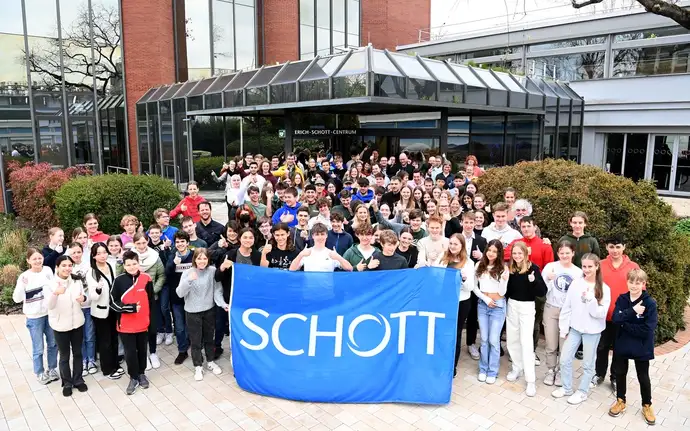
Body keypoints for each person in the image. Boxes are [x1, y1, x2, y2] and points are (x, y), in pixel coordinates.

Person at [552, 254, 610, 405]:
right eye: (584, 266)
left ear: (597, 266)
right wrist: (564, 329)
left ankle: (583, 391)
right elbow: (567, 306)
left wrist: (591, 301)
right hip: (575, 329)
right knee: (564, 359)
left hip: (592, 331)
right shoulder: (576, 284)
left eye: (590, 266)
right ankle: (566, 388)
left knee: (588, 364)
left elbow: (601, 314)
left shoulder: (604, 289)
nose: (587, 269)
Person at [608, 269, 657, 426]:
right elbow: (615, 318)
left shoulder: (650, 303)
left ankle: (647, 405)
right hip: (623, 344)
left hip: (642, 346)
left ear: (644, 284)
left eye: (638, 283)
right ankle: (621, 400)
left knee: (643, 376)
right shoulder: (622, 299)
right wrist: (632, 311)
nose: (634, 286)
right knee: (620, 373)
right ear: (627, 282)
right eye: (631, 282)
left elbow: (647, 330)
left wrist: (625, 324)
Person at [505, 216, 554, 365]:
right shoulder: (517, 243)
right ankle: (515, 351)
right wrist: (524, 251)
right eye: (523, 226)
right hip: (518, 290)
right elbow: (505, 253)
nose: (526, 229)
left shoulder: (544, 245)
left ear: (535, 227)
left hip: (535, 289)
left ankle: (531, 351)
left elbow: (549, 268)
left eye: (528, 226)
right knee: (515, 323)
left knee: (534, 323)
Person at [593, 235, 640, 391]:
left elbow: (639, 291)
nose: (615, 250)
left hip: (623, 317)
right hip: (603, 316)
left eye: (618, 247)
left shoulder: (633, 267)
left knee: (620, 350)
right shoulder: (599, 264)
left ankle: (615, 378)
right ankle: (599, 374)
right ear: (606, 247)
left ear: (624, 247)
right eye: (611, 247)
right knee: (601, 347)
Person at [177, 248, 228, 381]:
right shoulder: (188, 272)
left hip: (209, 310)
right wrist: (188, 281)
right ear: (195, 259)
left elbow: (217, 291)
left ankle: (210, 362)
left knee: (209, 338)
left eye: (205, 258)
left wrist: (223, 304)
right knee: (195, 341)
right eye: (199, 258)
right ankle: (198, 366)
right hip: (192, 312)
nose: (202, 261)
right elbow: (180, 293)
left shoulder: (212, 271)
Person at [505, 242, 547, 397]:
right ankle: (517, 367)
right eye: (514, 253)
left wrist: (533, 281)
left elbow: (542, 291)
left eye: (519, 253)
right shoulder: (510, 269)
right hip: (512, 305)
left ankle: (530, 380)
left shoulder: (533, 268)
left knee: (526, 342)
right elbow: (507, 291)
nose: (517, 256)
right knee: (512, 339)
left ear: (525, 253)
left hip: (527, 307)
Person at [430, 234, 476, 376]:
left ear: (462, 245)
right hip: (443, 301)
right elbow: (434, 276)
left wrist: (464, 278)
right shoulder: (442, 257)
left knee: (455, 334)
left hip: (460, 303)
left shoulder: (468, 263)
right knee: (440, 332)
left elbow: (470, 287)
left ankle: (452, 366)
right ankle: (439, 361)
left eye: (456, 244)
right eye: (451, 243)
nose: (453, 246)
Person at [110, 250, 154, 395]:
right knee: (130, 353)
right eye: (128, 264)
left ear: (138, 263)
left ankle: (141, 374)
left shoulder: (146, 278)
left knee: (142, 350)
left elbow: (151, 301)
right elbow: (112, 302)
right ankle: (133, 377)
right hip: (125, 325)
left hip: (143, 324)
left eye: (134, 263)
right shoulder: (119, 280)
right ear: (124, 265)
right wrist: (130, 308)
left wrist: (152, 322)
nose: (132, 267)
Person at [14, 248, 59, 384]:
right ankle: (39, 372)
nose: (38, 261)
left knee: (53, 343)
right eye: (34, 259)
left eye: (39, 258)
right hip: (34, 317)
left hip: (49, 313)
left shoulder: (47, 271)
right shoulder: (24, 277)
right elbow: (16, 298)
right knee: (38, 347)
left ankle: (52, 369)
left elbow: (53, 288)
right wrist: (22, 285)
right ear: (28, 261)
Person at [541, 241, 582, 387]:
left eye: (567, 252)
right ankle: (550, 370)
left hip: (568, 312)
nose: (564, 255)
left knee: (564, 345)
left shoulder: (578, 272)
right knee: (551, 344)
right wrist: (547, 278)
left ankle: (560, 371)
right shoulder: (550, 267)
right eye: (561, 253)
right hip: (551, 308)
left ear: (573, 253)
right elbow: (540, 288)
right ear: (558, 253)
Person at [46, 255, 88, 397]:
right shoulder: (50, 284)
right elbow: (49, 306)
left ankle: (78, 379)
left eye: (70, 265)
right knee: (64, 355)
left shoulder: (76, 280)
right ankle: (67, 382)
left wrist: (84, 299)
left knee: (78, 353)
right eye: (64, 265)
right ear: (57, 267)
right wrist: (55, 294)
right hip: (60, 325)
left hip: (77, 323)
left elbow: (84, 296)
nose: (67, 268)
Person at [215, 228, 260, 358]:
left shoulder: (257, 255)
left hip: (249, 299)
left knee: (244, 328)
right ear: (239, 239)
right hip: (232, 297)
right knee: (221, 324)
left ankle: (244, 353)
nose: (248, 240)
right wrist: (223, 267)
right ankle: (217, 347)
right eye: (245, 237)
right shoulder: (230, 254)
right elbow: (217, 277)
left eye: (250, 237)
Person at [86, 243, 125, 380]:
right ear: (94, 256)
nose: (102, 256)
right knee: (105, 341)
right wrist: (98, 288)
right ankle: (108, 369)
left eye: (104, 252)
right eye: (99, 253)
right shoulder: (91, 272)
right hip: (101, 312)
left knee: (114, 338)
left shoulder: (110, 266)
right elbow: (93, 297)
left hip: (113, 309)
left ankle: (115, 364)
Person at [473, 239, 508, 384]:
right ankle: (483, 368)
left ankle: (492, 371)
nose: (491, 253)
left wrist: (504, 280)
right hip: (483, 304)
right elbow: (474, 286)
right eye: (490, 250)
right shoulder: (479, 265)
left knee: (494, 340)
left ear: (499, 253)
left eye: (495, 251)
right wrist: (485, 299)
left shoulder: (503, 268)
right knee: (484, 339)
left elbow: (502, 292)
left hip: (498, 306)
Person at [131, 233, 165, 370]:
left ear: (147, 242)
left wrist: (153, 290)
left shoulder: (154, 257)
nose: (141, 246)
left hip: (151, 299)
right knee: (139, 329)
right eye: (138, 243)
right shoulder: (130, 257)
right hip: (135, 301)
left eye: (144, 243)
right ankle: (143, 354)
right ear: (134, 244)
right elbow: (122, 274)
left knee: (151, 328)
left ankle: (153, 353)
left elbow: (161, 275)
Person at [460, 212, 487, 360]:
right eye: (466, 222)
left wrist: (482, 256)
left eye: (472, 222)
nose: (469, 225)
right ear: (462, 223)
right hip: (459, 283)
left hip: (475, 283)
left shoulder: (482, 240)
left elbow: (488, 261)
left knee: (472, 314)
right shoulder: (455, 239)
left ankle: (471, 343)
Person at [165, 231, 193, 364]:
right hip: (177, 298)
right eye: (177, 242)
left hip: (193, 297)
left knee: (192, 324)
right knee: (180, 326)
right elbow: (167, 274)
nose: (180, 244)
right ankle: (182, 350)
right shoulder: (172, 256)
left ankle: (194, 345)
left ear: (187, 243)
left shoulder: (194, 256)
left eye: (183, 241)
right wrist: (173, 264)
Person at [289, 223, 354, 272]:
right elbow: (292, 269)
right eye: (317, 234)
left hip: (327, 289)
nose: (320, 237)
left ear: (326, 235)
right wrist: (300, 255)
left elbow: (349, 268)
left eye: (322, 234)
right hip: (310, 288)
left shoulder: (332, 254)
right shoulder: (306, 253)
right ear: (312, 236)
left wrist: (338, 257)